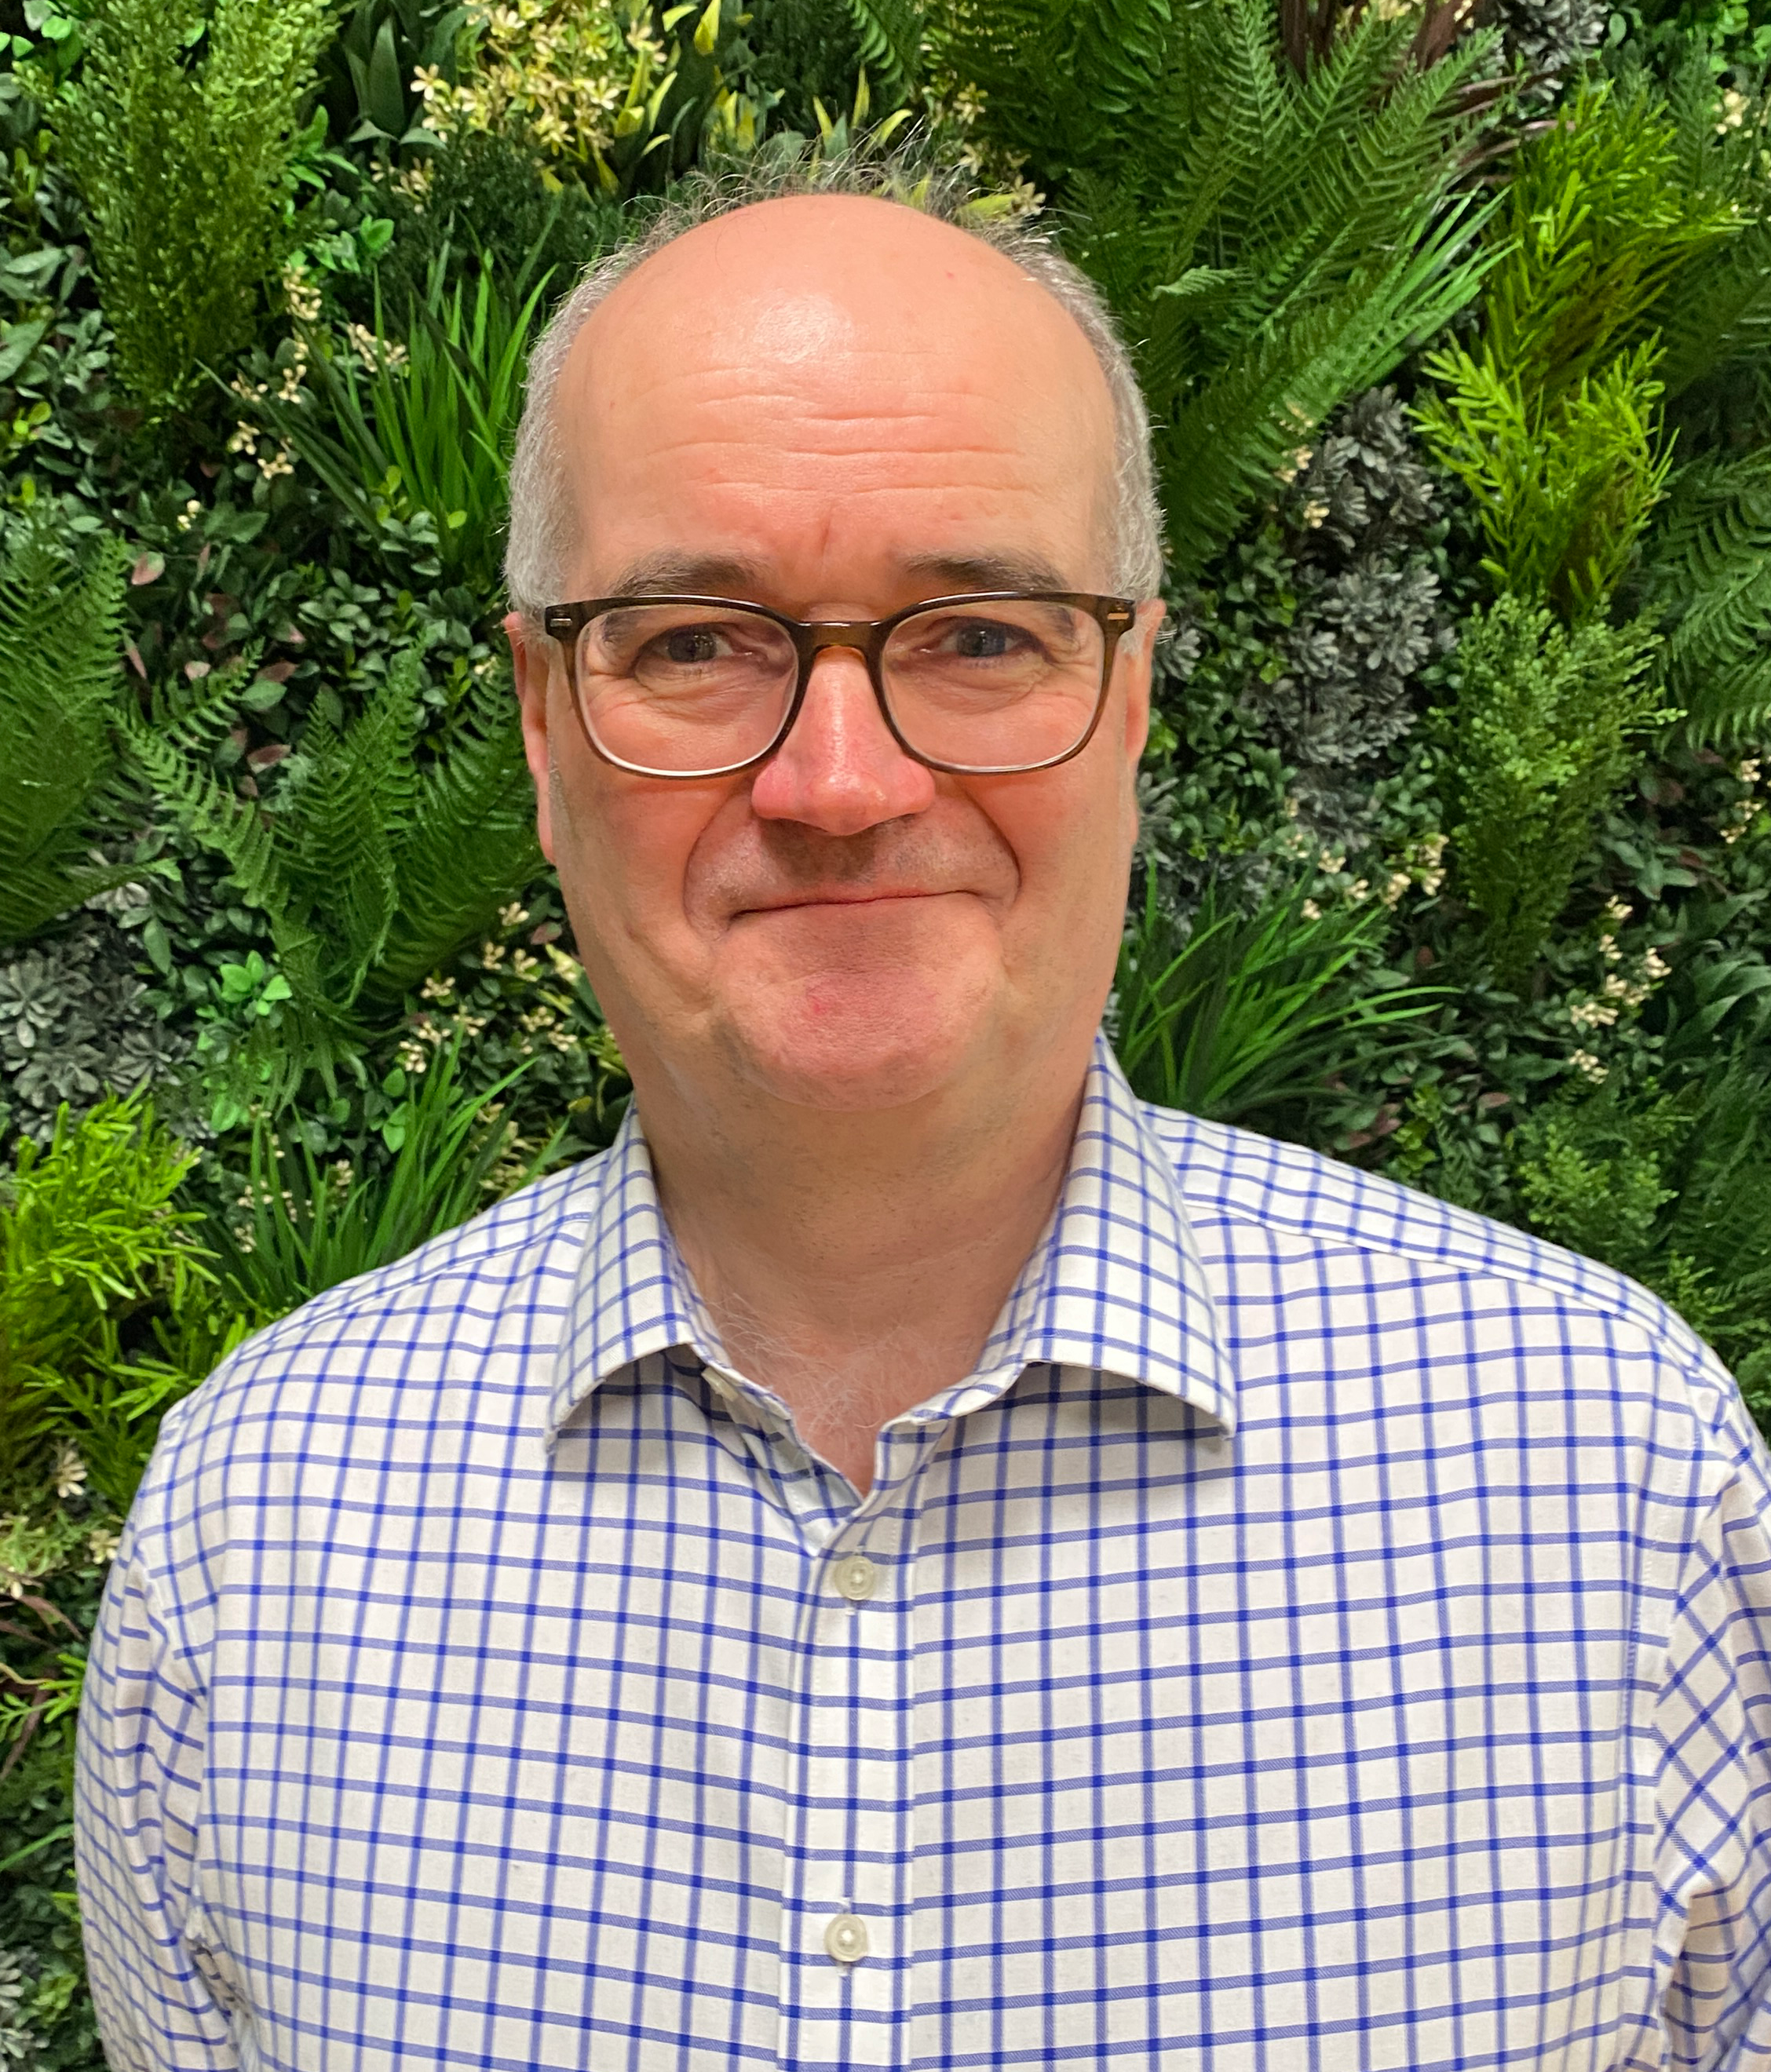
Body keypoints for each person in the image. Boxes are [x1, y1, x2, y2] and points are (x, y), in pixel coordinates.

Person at [75, 169, 1771, 2072]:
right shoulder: (263, 1528)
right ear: (546, 730)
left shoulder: (1611, 1495)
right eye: (695, 639)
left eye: (979, 635)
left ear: (1132, 697)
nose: (839, 780)